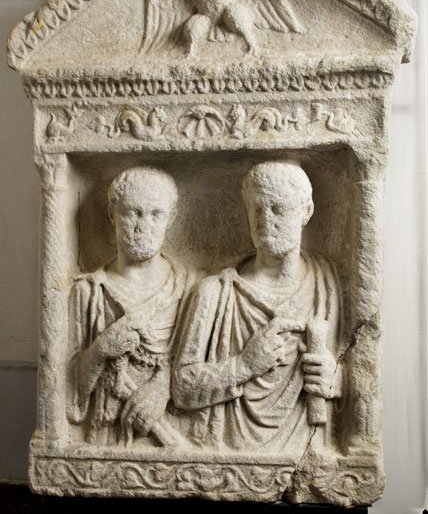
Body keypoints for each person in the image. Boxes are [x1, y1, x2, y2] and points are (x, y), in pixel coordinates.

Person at [172, 160, 344, 454]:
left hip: (304, 449)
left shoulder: (327, 285)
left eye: (278, 208)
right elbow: (181, 388)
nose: (266, 221)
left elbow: (358, 366)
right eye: (257, 209)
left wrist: (336, 378)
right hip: (226, 454)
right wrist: (244, 366)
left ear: (306, 212)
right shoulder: (216, 294)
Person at [68, 166, 192, 446]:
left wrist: (164, 386)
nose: (142, 227)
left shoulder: (187, 286)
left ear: (171, 217)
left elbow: (200, 366)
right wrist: (101, 350)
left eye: (155, 214)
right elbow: (66, 384)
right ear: (113, 213)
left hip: (166, 437)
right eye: (133, 213)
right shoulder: (89, 292)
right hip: (103, 438)